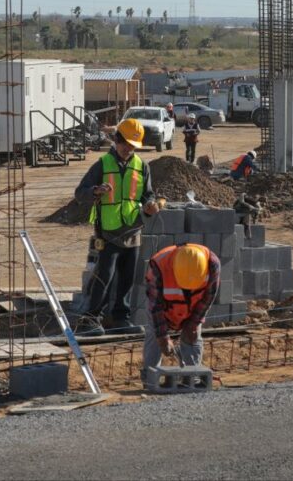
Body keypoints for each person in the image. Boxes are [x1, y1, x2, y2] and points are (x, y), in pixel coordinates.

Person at [74, 118, 161, 335]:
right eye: (125, 145)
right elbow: (79, 193)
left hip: (132, 231)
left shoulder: (142, 166)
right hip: (108, 233)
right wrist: (95, 191)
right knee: (105, 276)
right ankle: (91, 318)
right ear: (116, 140)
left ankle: (122, 318)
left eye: (132, 146)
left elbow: (147, 194)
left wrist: (151, 204)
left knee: (127, 278)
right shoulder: (102, 165)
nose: (128, 150)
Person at [142, 243, 220, 380]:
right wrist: (162, 337)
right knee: (154, 336)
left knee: (193, 336)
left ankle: (192, 377)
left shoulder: (212, 265)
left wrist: (194, 322)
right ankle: (150, 379)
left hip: (193, 307)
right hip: (164, 308)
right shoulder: (159, 265)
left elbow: (209, 296)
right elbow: (155, 306)